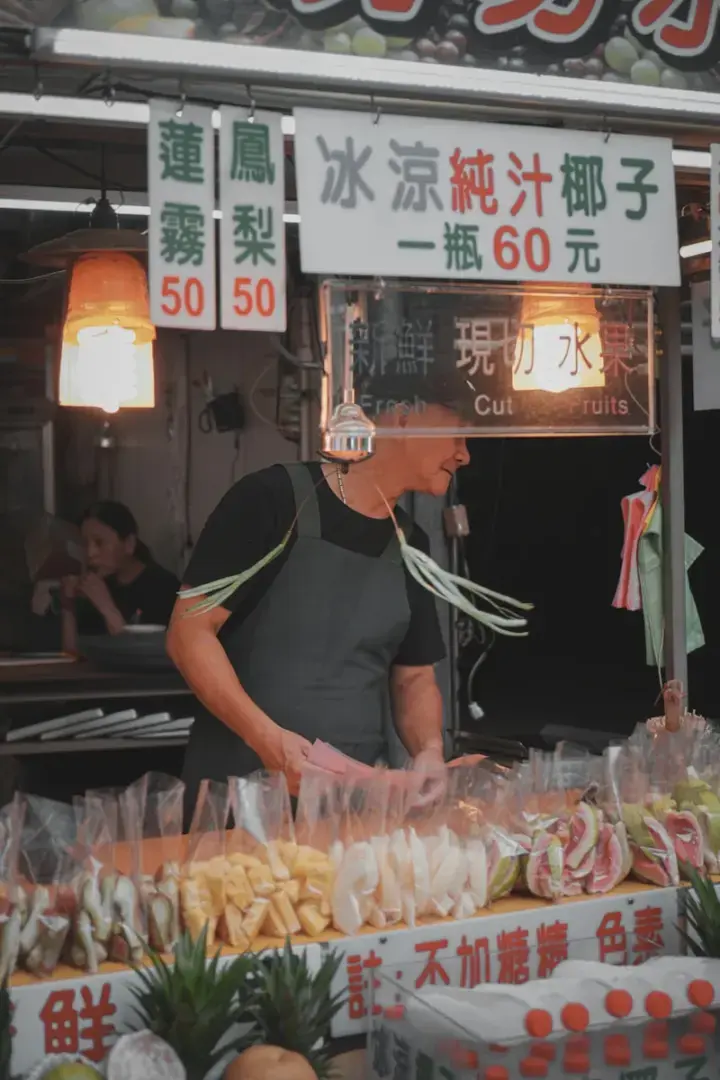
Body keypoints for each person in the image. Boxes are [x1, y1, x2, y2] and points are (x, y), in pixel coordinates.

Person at [168, 395, 470, 818]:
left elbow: (414, 677)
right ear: (403, 418)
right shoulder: (270, 499)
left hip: (354, 807)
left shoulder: (410, 543)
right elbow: (189, 634)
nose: (465, 455)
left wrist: (430, 751)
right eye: (457, 435)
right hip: (242, 797)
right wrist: (269, 741)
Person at [60, 501, 180, 651]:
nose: (90, 553)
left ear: (129, 544)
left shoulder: (163, 587)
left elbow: (143, 655)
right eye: (85, 544)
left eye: (99, 542)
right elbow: (73, 653)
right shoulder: (101, 585)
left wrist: (106, 607)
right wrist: (68, 606)